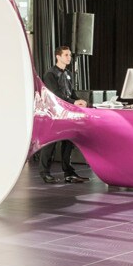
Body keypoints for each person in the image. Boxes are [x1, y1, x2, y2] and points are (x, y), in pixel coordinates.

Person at [40, 45, 86, 184]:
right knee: (50, 143)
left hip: (67, 112)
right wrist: (74, 101)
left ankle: (68, 173)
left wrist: (78, 100)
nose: (69, 57)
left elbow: (70, 93)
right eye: (66, 55)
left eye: (69, 55)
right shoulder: (50, 74)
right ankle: (44, 172)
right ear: (58, 56)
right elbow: (56, 94)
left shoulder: (68, 74)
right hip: (54, 113)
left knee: (68, 142)